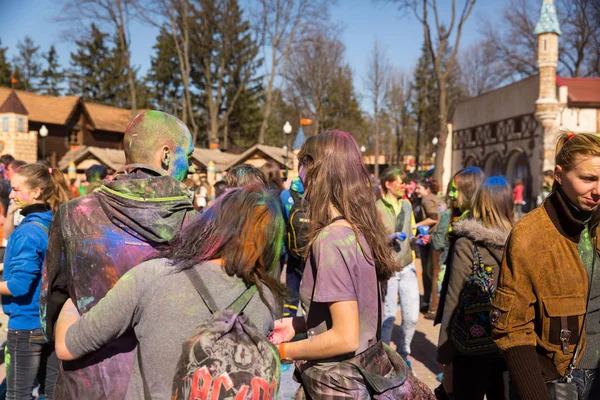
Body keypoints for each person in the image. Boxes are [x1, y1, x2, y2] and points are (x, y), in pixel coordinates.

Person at [53, 187, 284, 399]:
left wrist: (71, 303)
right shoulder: (266, 299)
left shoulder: (152, 277)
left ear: (214, 224)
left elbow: (67, 346)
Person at [40, 110, 197, 399]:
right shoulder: (196, 226)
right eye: (187, 156)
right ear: (165, 155)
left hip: (86, 381)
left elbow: (50, 311)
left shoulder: (72, 215)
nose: (191, 167)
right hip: (161, 383)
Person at [269, 131, 399, 398]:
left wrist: (282, 351)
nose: (299, 177)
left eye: (301, 167)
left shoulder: (331, 239)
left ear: (314, 170)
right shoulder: (355, 229)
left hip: (338, 385)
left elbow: (345, 337)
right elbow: (352, 317)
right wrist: (299, 325)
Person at [492, 132, 600, 400]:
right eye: (588, 179)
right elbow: (512, 328)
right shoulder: (531, 234)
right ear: (560, 175)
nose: (599, 191)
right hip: (561, 380)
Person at [437, 176, 514, 400]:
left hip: (470, 344)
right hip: (509, 343)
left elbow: (454, 295)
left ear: (479, 202)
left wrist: (444, 347)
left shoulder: (467, 244)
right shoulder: (520, 241)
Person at [0, 163, 70, 399]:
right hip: (49, 323)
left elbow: (19, 286)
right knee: (50, 392)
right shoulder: (52, 222)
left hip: (25, 325)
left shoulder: (28, 232)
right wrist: (11, 213)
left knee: (17, 394)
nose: (11, 194)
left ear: (36, 192)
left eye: (16, 189)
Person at [377, 167, 429, 370]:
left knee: (411, 317)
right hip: (388, 270)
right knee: (388, 318)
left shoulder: (407, 206)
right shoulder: (376, 208)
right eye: (399, 182)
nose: (404, 186)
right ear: (388, 184)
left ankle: (403, 353)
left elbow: (409, 235)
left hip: (407, 268)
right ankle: (383, 358)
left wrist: (418, 240)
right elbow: (370, 239)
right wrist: (387, 239)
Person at [415, 179, 446, 315]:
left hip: (431, 240)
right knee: (436, 273)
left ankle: (430, 304)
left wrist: (415, 226)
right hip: (441, 239)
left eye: (419, 188)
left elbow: (433, 218)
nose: (416, 191)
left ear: (427, 189)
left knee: (430, 274)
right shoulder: (438, 199)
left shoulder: (426, 200)